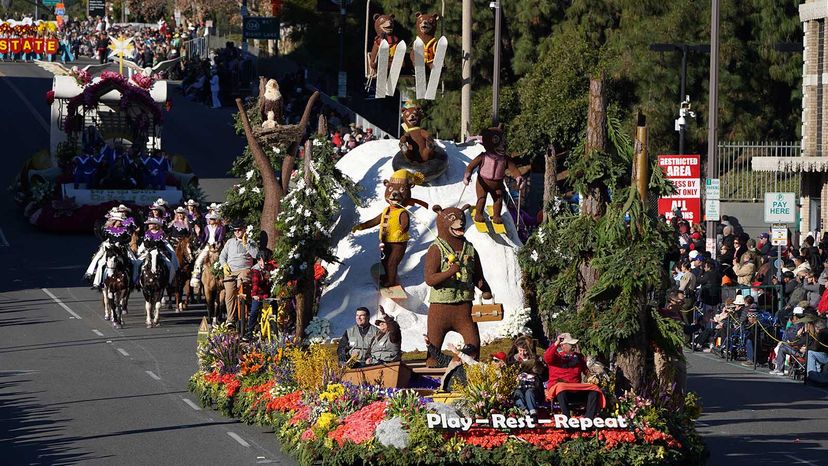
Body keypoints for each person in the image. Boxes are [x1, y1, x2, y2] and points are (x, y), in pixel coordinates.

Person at [543, 333, 604, 419]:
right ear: (563, 346)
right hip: (560, 391)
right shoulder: (555, 356)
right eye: (571, 345)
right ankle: (566, 418)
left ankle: (589, 418)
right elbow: (547, 357)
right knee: (561, 387)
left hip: (575, 389)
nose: (574, 347)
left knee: (594, 389)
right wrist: (556, 343)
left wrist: (591, 377)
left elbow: (586, 371)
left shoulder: (578, 357)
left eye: (574, 345)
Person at [219, 223, 258, 324]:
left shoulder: (251, 242)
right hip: (231, 270)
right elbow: (222, 256)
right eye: (235, 230)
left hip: (244, 269)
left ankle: (246, 312)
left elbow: (255, 255)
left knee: (241, 286)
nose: (237, 232)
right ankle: (230, 320)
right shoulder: (230, 242)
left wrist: (247, 245)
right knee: (229, 294)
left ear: (244, 230)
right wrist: (224, 265)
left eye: (239, 230)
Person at [84, 212, 131, 288]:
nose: (121, 222)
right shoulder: (108, 229)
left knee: (133, 262)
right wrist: (108, 242)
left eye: (121, 221)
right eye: (119, 221)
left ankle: (132, 281)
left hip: (121, 247)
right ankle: (96, 281)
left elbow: (129, 239)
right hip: (110, 248)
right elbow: (103, 237)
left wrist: (121, 242)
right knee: (101, 262)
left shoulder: (125, 230)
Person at [137, 217, 178, 286]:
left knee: (171, 267)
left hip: (159, 252)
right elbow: (146, 244)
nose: (149, 225)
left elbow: (162, 244)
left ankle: (169, 282)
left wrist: (155, 245)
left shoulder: (161, 233)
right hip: (148, 252)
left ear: (156, 225)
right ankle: (138, 281)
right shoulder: (147, 233)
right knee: (137, 263)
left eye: (151, 224)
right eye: (149, 224)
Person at [245, 251, 274, 341]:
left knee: (275, 308)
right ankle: (249, 332)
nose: (262, 263)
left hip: (268, 294)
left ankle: (277, 329)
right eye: (260, 261)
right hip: (258, 294)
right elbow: (255, 284)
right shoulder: (255, 270)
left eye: (264, 261)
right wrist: (254, 295)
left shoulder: (270, 268)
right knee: (254, 311)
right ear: (257, 261)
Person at [191, 213, 225, 287]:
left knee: (222, 260)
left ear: (216, 220)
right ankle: (196, 278)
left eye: (212, 219)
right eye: (210, 219)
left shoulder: (221, 227)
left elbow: (221, 237)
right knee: (198, 260)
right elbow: (203, 238)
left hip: (217, 246)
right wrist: (198, 233)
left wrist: (217, 245)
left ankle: (223, 278)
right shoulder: (207, 227)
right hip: (208, 245)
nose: (210, 220)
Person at [511, 339, 544, 417]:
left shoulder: (536, 359)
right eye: (520, 350)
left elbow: (543, 374)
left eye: (525, 350)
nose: (522, 353)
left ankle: (533, 411)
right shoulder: (514, 360)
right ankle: (523, 410)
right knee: (517, 393)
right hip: (519, 385)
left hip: (533, 385)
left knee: (529, 392)